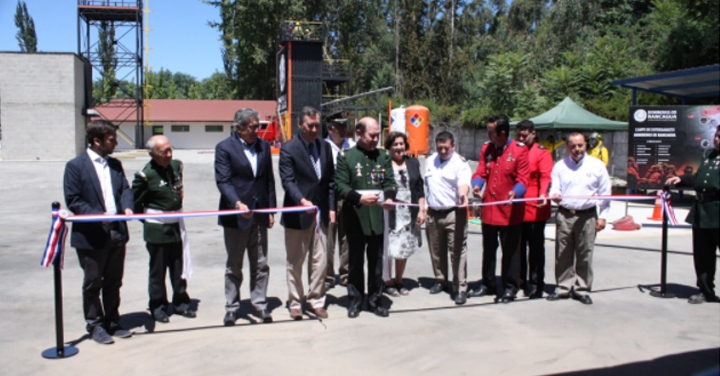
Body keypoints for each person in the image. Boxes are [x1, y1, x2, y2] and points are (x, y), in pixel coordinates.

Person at [63, 119, 134, 344]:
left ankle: (113, 320)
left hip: (116, 233)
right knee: (93, 283)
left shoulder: (115, 165)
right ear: (97, 141)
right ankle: (95, 325)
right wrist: (97, 216)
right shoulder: (75, 166)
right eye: (112, 140)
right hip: (91, 236)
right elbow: (74, 200)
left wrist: (128, 206)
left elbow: (124, 189)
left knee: (114, 281)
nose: (115, 144)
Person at [215, 108, 276, 326]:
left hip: (259, 216)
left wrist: (270, 210)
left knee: (260, 264)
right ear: (239, 127)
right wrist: (237, 203)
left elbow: (268, 179)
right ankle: (232, 307)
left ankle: (259, 305)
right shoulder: (224, 148)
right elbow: (223, 181)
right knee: (234, 265)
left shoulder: (263, 146)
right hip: (236, 218)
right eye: (252, 127)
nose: (256, 131)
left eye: (258, 126)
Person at [335, 117, 397, 318]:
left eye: (378, 134)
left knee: (376, 262)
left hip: (378, 217)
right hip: (355, 217)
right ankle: (355, 300)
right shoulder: (346, 157)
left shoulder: (384, 156)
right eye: (372, 135)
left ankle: (375, 300)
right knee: (354, 262)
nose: (375, 139)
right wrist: (359, 198)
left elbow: (389, 182)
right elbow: (341, 186)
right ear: (359, 134)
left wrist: (388, 198)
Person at [131, 135, 194, 323]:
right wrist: (152, 220)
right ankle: (158, 306)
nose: (168, 154)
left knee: (178, 268)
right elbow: (135, 203)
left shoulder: (176, 166)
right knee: (158, 271)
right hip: (157, 229)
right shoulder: (145, 174)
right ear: (152, 154)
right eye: (163, 152)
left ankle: (181, 302)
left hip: (176, 226)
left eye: (170, 150)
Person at [279, 107, 335, 320]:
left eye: (316, 125)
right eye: (310, 125)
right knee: (295, 261)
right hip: (298, 214)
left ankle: (317, 300)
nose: (314, 129)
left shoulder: (325, 147)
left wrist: (331, 208)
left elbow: (329, 180)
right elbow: (288, 181)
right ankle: (295, 301)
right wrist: (302, 201)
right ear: (300, 125)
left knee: (320, 261)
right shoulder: (289, 149)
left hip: (321, 214)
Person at [469, 115, 529, 303]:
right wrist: (477, 184)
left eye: (491, 132)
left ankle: (510, 287)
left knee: (510, 251)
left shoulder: (519, 151)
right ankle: (488, 284)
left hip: (510, 211)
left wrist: (515, 193)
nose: (488, 135)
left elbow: (523, 179)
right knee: (488, 250)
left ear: (502, 133)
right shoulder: (487, 148)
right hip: (489, 210)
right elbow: (481, 171)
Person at [547, 132, 611, 305]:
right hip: (565, 215)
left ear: (586, 146)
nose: (577, 149)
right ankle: (563, 288)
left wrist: (603, 217)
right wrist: (554, 194)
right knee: (563, 254)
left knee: (585, 254)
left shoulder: (597, 166)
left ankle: (582, 289)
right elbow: (555, 187)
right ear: (567, 147)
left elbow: (605, 193)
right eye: (573, 146)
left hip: (587, 216)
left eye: (580, 145)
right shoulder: (560, 166)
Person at [666, 126, 720, 304]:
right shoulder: (709, 155)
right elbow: (699, 178)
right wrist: (681, 179)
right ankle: (705, 291)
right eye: (717, 136)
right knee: (703, 255)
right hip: (702, 211)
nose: (718, 139)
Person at [424, 131, 472, 305]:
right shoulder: (430, 161)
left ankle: (460, 287)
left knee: (457, 250)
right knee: (436, 250)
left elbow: (463, 183)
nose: (443, 151)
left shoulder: (460, 163)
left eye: (446, 148)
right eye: (440, 147)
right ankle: (440, 280)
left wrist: (463, 195)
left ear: (453, 146)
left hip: (454, 213)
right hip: (434, 213)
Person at [383, 132, 425, 297]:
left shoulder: (413, 163)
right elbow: (377, 185)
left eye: (401, 144)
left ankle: (399, 280)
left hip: (409, 212)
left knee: (403, 248)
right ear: (389, 147)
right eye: (395, 144)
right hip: (390, 212)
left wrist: (421, 209)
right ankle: (387, 281)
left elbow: (420, 188)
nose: (399, 147)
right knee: (389, 248)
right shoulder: (384, 163)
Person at [516, 120, 553, 299]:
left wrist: (543, 193)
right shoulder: (515, 150)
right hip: (517, 208)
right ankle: (520, 281)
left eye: (525, 135)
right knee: (518, 248)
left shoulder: (541, 153)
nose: (522, 138)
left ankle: (536, 283)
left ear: (533, 134)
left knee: (536, 249)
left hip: (535, 209)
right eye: (519, 135)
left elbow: (546, 176)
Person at [324, 112, 355, 290]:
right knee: (328, 241)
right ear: (330, 128)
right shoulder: (323, 146)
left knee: (347, 239)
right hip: (329, 198)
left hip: (347, 198)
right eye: (339, 127)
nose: (344, 130)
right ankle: (328, 277)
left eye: (345, 126)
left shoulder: (352, 146)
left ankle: (346, 275)